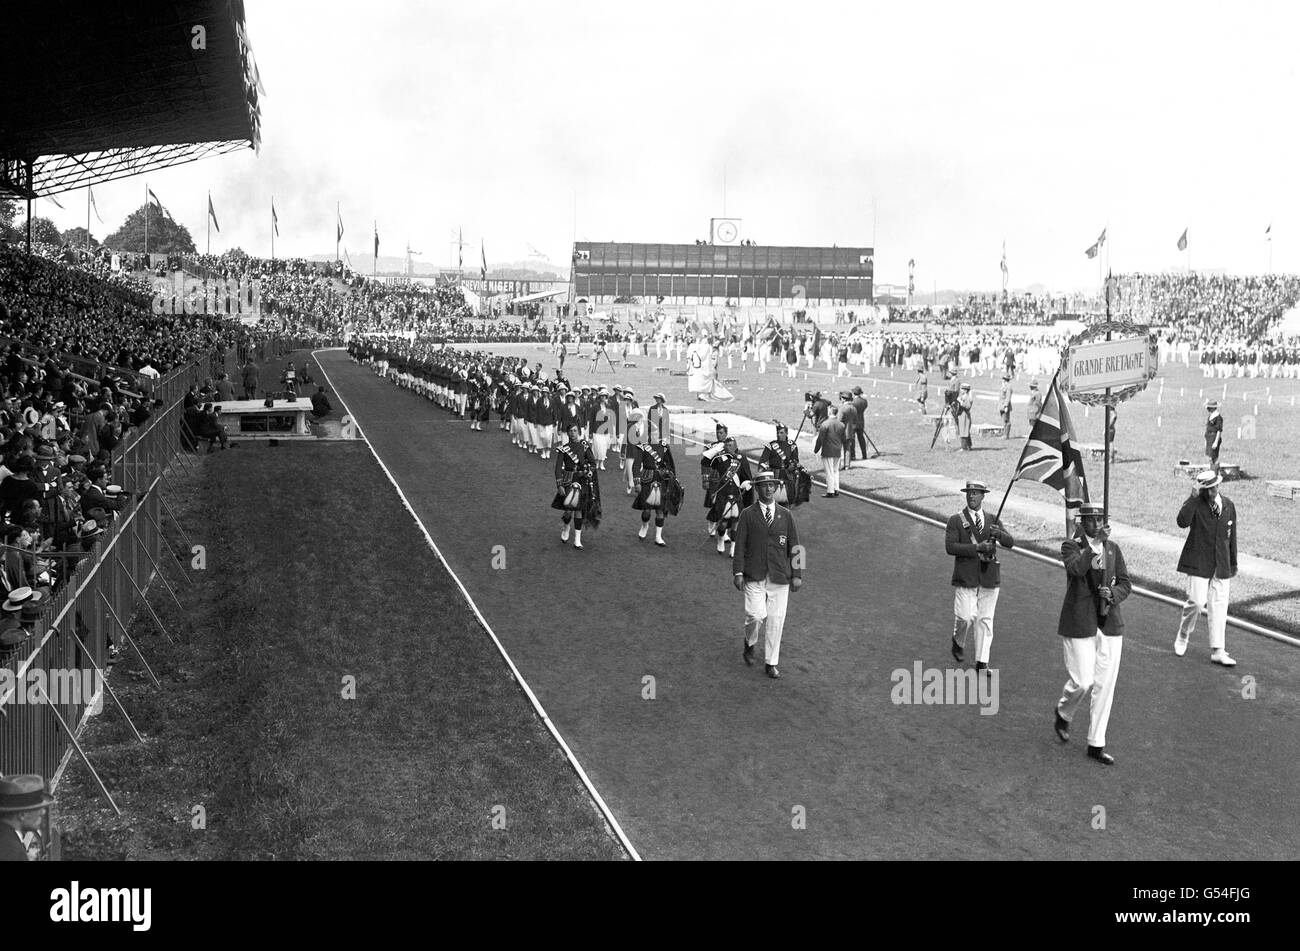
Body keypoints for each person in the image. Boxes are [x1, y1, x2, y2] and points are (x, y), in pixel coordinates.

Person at [1054, 501, 1131, 766]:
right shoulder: (1071, 546)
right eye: (1090, 519)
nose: (1096, 524)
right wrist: (1095, 544)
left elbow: (1125, 583)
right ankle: (1064, 711)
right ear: (1080, 521)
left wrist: (1113, 595)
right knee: (1083, 682)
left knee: (1104, 687)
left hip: (1110, 623)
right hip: (1079, 621)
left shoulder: (1114, 549)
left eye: (1100, 519)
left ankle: (1096, 743)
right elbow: (1076, 570)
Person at [732, 468, 803, 680]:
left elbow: (796, 547)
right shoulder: (747, 515)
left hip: (780, 576)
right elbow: (740, 544)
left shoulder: (786, 515)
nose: (769, 488)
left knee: (776, 620)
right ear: (757, 489)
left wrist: (798, 574)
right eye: (764, 485)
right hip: (754, 574)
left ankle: (771, 663)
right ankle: (749, 642)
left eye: (772, 485)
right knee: (756, 615)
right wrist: (737, 572)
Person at [944, 480, 1015, 674]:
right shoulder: (956, 520)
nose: (972, 496)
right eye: (969, 492)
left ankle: (982, 662)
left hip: (989, 577)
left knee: (985, 619)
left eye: (976, 493)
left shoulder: (993, 519)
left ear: (983, 496)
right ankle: (958, 640)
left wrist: (998, 533)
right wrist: (977, 547)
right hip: (966, 576)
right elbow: (951, 547)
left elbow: (1010, 542)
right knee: (965, 617)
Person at [1174, 469, 1238, 665]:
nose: (1211, 492)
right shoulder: (1196, 504)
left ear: (1218, 485)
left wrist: (1233, 562)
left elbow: (1231, 536)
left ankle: (1218, 650)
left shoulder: (1228, 506)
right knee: (1196, 601)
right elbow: (1182, 522)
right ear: (1201, 489)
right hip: (1198, 561)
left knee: (1219, 606)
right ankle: (1183, 634)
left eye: (1213, 488)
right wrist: (1192, 498)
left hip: (1222, 564)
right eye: (1207, 489)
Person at [552, 423, 601, 549]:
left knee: (579, 510)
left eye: (575, 431)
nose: (573, 433)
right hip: (568, 481)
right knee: (568, 510)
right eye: (571, 431)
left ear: (578, 432)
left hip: (581, 481)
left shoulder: (584, 446)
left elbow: (592, 463)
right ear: (567, 433)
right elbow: (557, 469)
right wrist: (559, 485)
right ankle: (566, 527)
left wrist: (588, 471)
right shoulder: (563, 449)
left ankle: (577, 540)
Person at [631, 428, 680, 546]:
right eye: (653, 433)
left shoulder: (664, 446)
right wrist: (637, 482)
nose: (655, 435)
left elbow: (670, 464)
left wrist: (672, 479)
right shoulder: (642, 446)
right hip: (647, 479)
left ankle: (658, 537)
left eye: (657, 433)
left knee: (660, 509)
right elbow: (636, 465)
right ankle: (644, 525)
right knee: (646, 510)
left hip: (661, 480)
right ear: (648, 435)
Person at [708, 436, 754, 555]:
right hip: (723, 495)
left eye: (730, 446)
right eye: (726, 445)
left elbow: (746, 476)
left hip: (736, 494)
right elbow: (705, 462)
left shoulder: (741, 458)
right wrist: (714, 450)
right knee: (723, 523)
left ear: (735, 447)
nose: (728, 448)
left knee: (736, 523)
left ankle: (733, 548)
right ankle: (721, 540)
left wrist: (747, 484)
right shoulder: (720, 459)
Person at [0, 773, 55, 861]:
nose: (43, 812)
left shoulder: (7, 840)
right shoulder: (12, 852)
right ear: (22, 815)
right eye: (38, 809)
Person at [813, 412, 845, 497]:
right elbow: (844, 438)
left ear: (830, 412)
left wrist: (816, 449)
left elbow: (820, 438)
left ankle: (830, 491)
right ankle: (836, 489)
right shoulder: (841, 424)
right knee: (835, 471)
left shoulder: (825, 424)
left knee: (829, 472)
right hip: (837, 450)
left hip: (828, 450)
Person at [1203, 400, 1223, 473]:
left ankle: (1215, 472)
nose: (1207, 409)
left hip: (1214, 437)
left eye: (1209, 407)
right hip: (1209, 437)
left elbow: (1219, 430)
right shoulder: (1210, 416)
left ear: (1213, 408)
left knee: (1214, 456)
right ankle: (1212, 471)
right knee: (1209, 457)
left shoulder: (1218, 417)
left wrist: (1216, 442)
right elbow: (1207, 428)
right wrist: (1206, 440)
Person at [955, 382, 974, 451]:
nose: (961, 390)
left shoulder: (968, 397)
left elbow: (968, 406)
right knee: (963, 430)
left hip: (965, 416)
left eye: (962, 389)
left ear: (966, 390)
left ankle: (964, 447)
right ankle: (969, 446)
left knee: (964, 431)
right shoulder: (962, 396)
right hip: (961, 415)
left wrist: (961, 402)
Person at [998, 374, 1013, 439]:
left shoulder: (1008, 387)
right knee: (1004, 420)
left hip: (1004, 405)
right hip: (1001, 405)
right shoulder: (1004, 386)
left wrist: (1006, 406)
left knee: (1006, 420)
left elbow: (1008, 397)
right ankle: (1004, 434)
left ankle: (1006, 435)